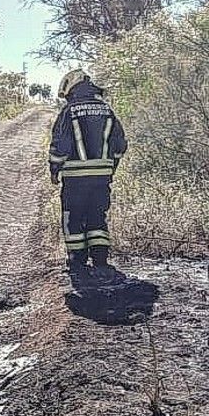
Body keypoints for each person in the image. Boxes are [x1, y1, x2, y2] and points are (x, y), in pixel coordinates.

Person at [48, 69, 127, 279]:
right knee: (97, 216)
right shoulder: (107, 110)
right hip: (102, 178)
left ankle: (77, 260)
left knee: (74, 217)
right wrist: (112, 166)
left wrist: (54, 170)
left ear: (71, 89)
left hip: (74, 178)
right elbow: (120, 144)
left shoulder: (69, 111)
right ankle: (100, 260)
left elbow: (60, 146)